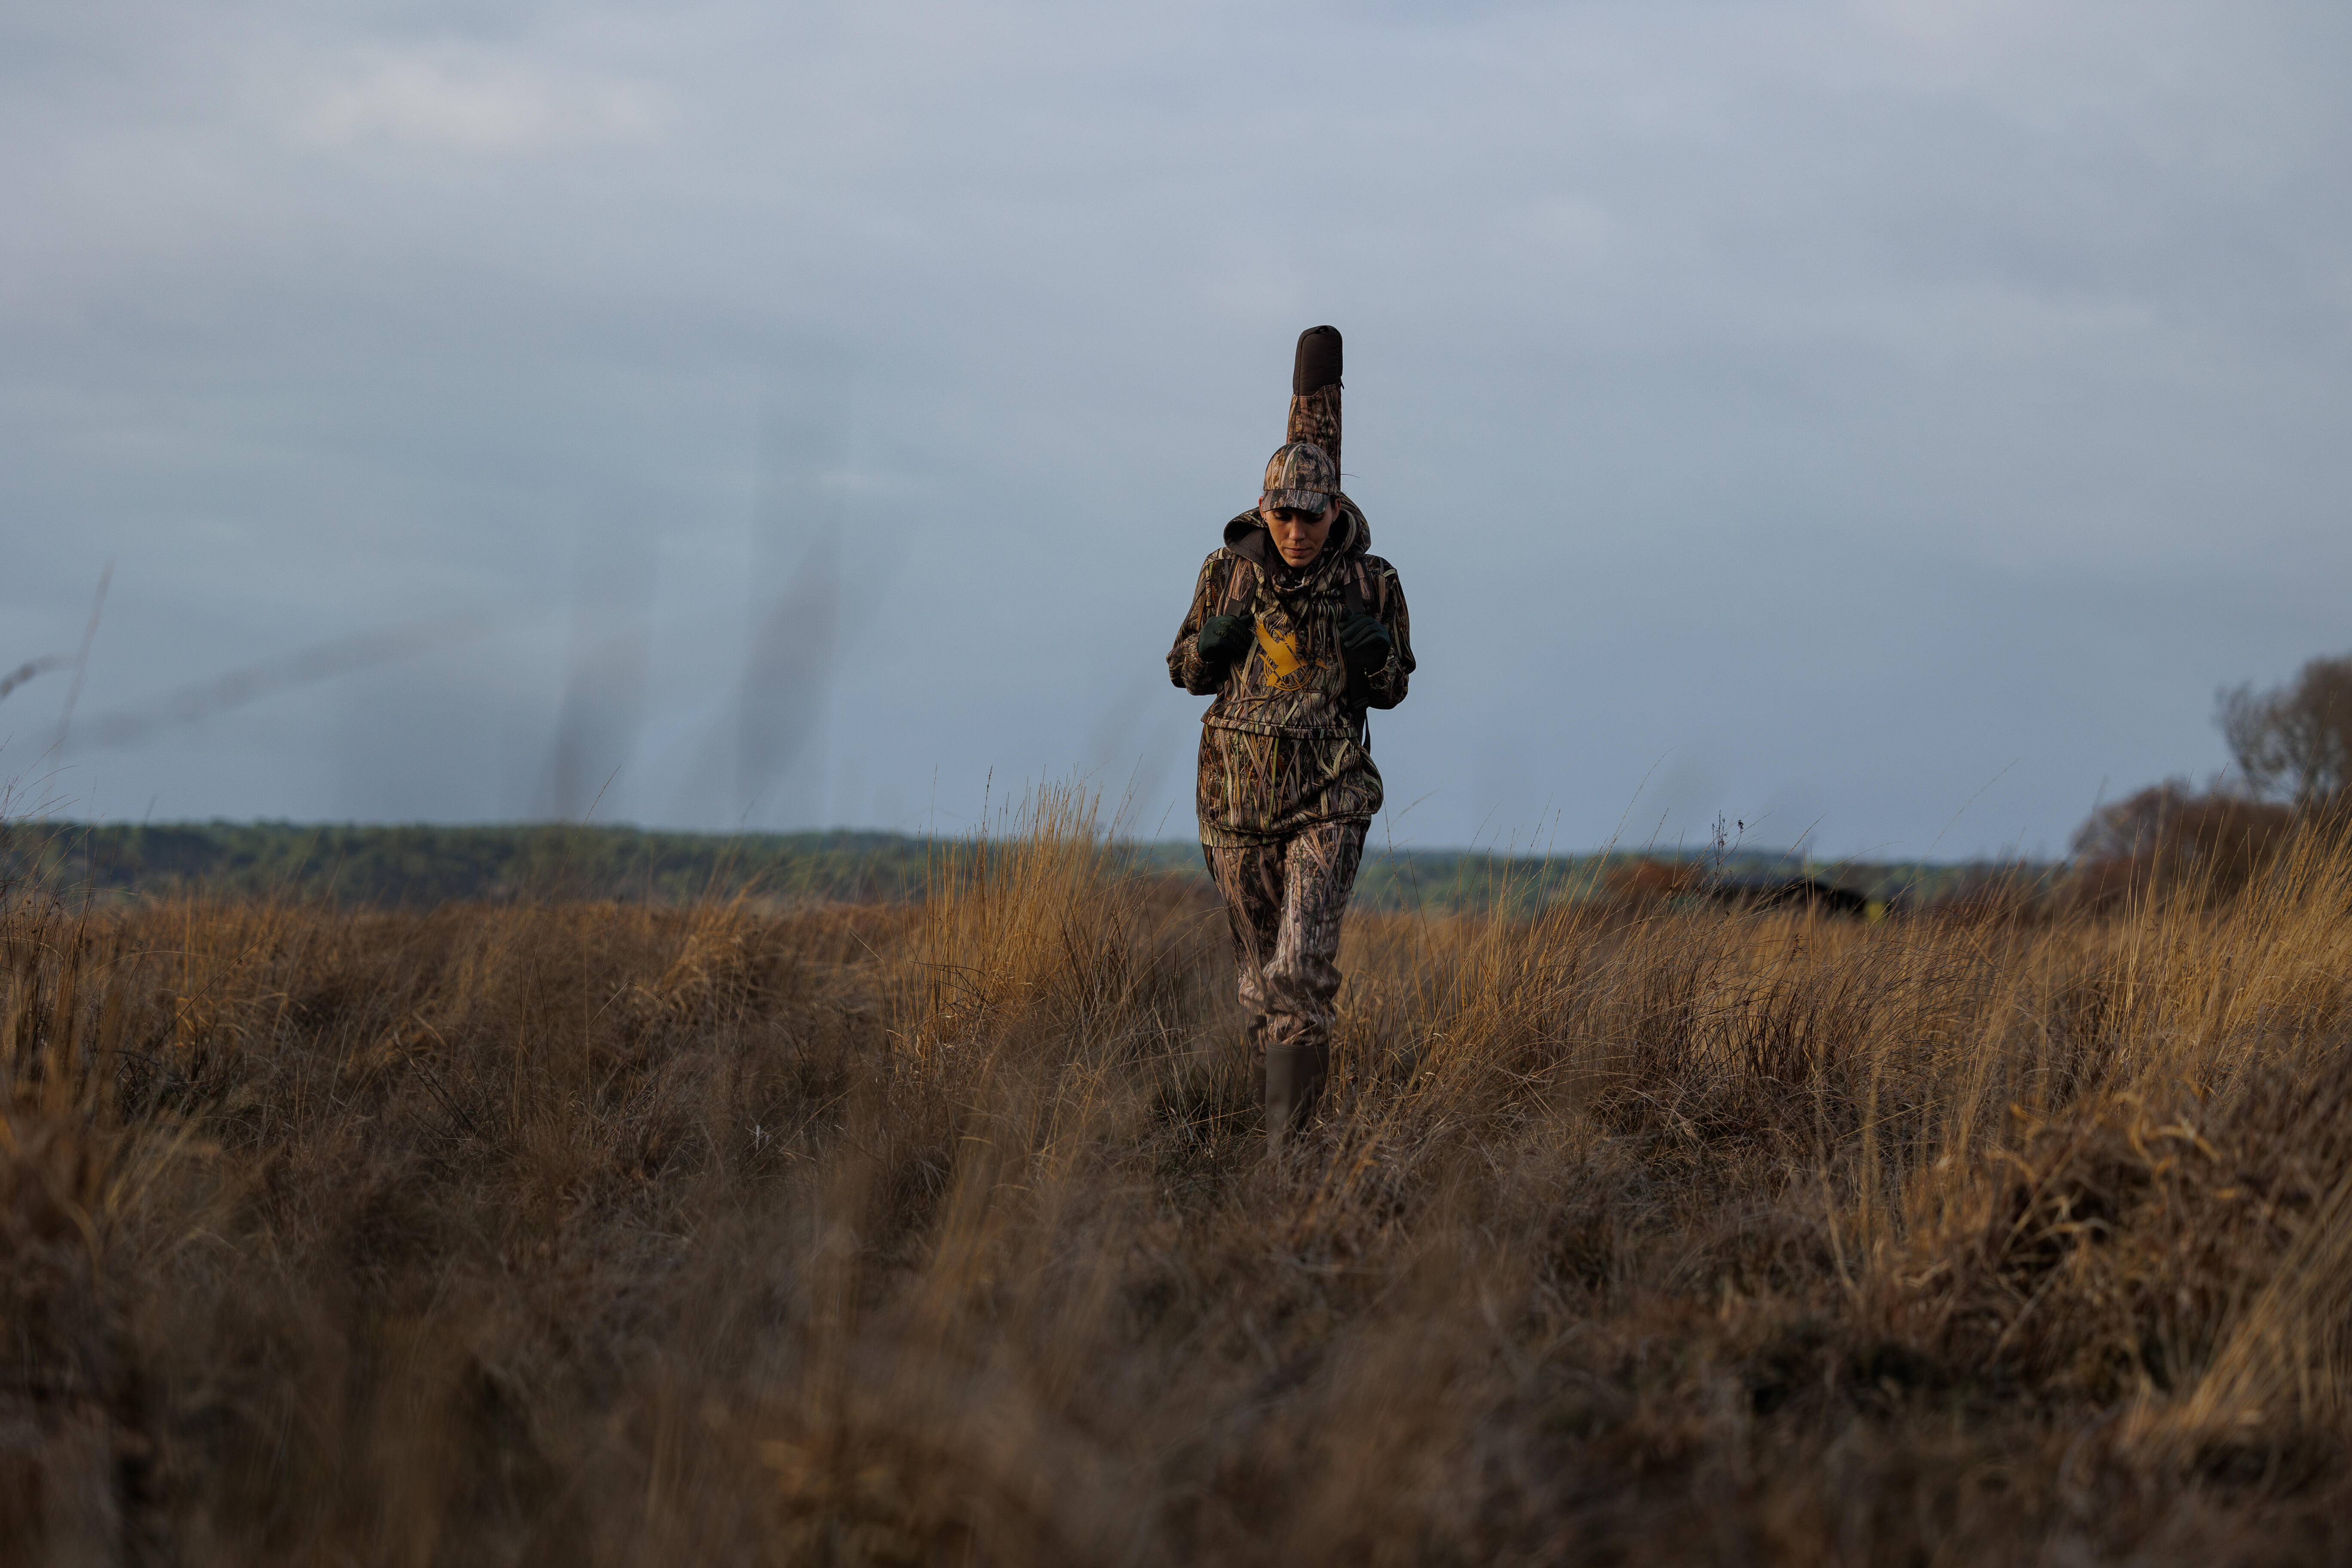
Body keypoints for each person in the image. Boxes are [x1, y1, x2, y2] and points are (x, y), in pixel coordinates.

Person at [1165, 326, 1415, 1155]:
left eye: (1312, 514)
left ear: (1334, 511)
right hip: (1235, 804)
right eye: (1284, 513)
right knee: (1256, 982)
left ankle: (1292, 1164)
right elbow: (1184, 673)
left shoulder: (1372, 583)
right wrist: (1215, 644)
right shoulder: (1224, 573)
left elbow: (1394, 689)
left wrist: (1373, 653)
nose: (1298, 528)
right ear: (1261, 509)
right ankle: (1268, 1130)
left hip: (1328, 798)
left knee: (1299, 969)